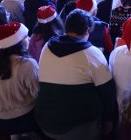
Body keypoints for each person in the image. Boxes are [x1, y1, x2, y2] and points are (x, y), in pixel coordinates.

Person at [35, 9, 117, 139]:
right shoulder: (92, 53)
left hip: (45, 122)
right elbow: (108, 93)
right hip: (78, 127)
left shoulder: (47, 46)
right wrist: (108, 119)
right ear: (87, 30)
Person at [0, 22, 39, 138]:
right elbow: (38, 94)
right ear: (18, 43)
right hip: (30, 117)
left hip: (4, 123)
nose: (28, 39)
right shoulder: (29, 64)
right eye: (25, 37)